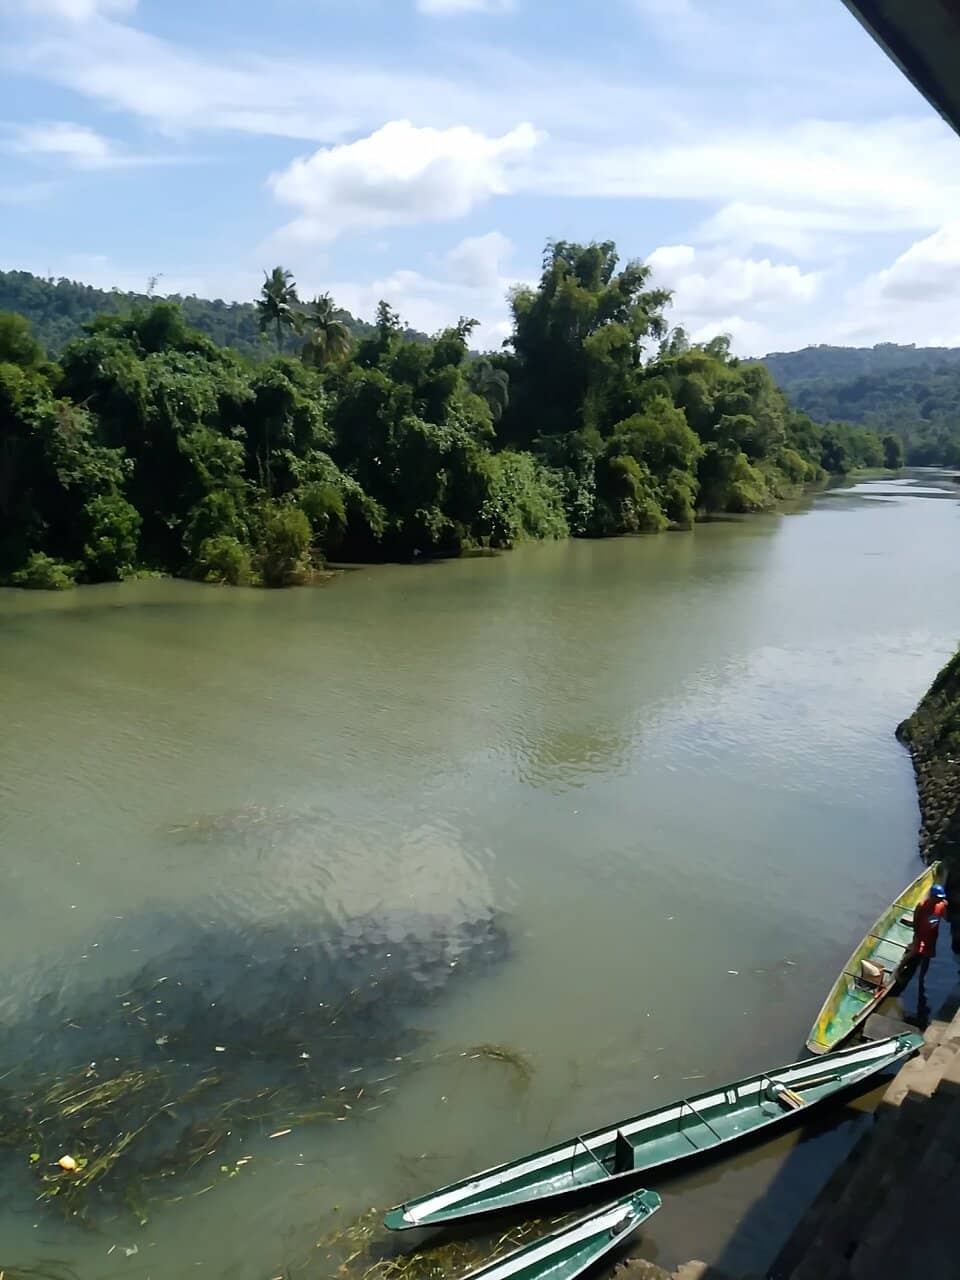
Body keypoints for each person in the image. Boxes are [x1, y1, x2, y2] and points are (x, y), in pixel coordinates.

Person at [899, 882, 948, 989]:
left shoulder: (941, 906)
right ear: (932, 896)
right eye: (938, 897)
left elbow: (946, 919)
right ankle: (899, 970)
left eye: (941, 898)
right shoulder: (921, 905)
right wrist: (916, 934)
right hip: (920, 934)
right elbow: (916, 921)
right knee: (914, 952)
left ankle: (922, 977)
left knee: (928, 956)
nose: (940, 900)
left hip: (932, 935)